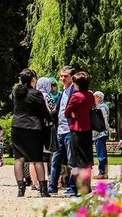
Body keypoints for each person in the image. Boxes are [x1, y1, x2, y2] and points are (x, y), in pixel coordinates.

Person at [12, 68, 52, 198]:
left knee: (19, 159)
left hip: (17, 126)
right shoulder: (36, 93)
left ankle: (20, 188)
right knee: (37, 159)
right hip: (33, 128)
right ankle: (43, 189)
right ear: (33, 80)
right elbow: (43, 111)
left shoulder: (17, 93)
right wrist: (51, 118)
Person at [64, 71, 94, 195]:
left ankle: (80, 188)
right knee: (87, 159)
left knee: (78, 160)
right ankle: (87, 186)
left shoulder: (76, 96)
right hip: (88, 129)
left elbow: (67, 112)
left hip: (77, 129)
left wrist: (72, 113)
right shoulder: (90, 95)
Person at [48, 66, 75, 195]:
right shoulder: (63, 91)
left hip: (69, 130)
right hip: (60, 130)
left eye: (65, 76)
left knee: (71, 160)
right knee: (55, 160)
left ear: (72, 77)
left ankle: (73, 186)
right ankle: (52, 186)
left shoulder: (74, 91)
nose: (63, 78)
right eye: (61, 76)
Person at [92, 91, 110, 179]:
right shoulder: (99, 107)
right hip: (100, 133)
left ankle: (102, 172)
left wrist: (105, 129)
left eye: (94, 97)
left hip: (100, 133)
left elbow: (104, 120)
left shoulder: (102, 107)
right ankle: (104, 172)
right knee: (102, 152)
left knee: (101, 153)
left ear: (99, 98)